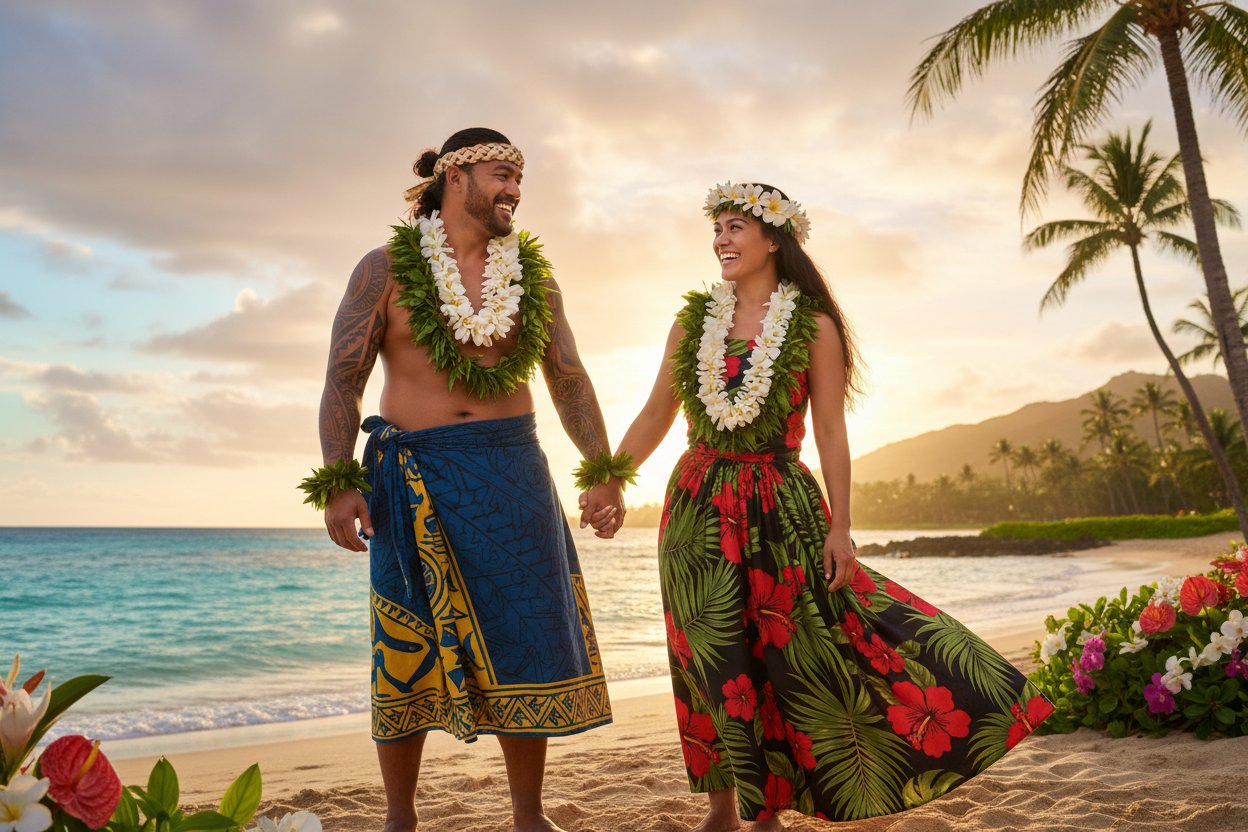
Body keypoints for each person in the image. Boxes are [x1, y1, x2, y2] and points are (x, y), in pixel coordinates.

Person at [590, 183, 1051, 829]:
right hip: (696, 504)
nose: (720, 239)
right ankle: (723, 809)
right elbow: (655, 412)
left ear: (774, 238)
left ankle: (770, 810)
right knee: (707, 656)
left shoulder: (813, 325)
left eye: (734, 227)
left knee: (790, 650)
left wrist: (842, 526)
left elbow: (831, 430)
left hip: (780, 505)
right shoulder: (692, 323)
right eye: (716, 228)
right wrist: (610, 477)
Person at [306, 128, 625, 832]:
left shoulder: (533, 276)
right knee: (405, 638)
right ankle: (399, 816)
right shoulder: (383, 267)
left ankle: (527, 814)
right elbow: (343, 376)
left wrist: (602, 472)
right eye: (502, 172)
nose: (514, 188)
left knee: (526, 631)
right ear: (456, 175)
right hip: (411, 472)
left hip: (512, 465)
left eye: (520, 177)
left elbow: (567, 378)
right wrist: (337, 480)